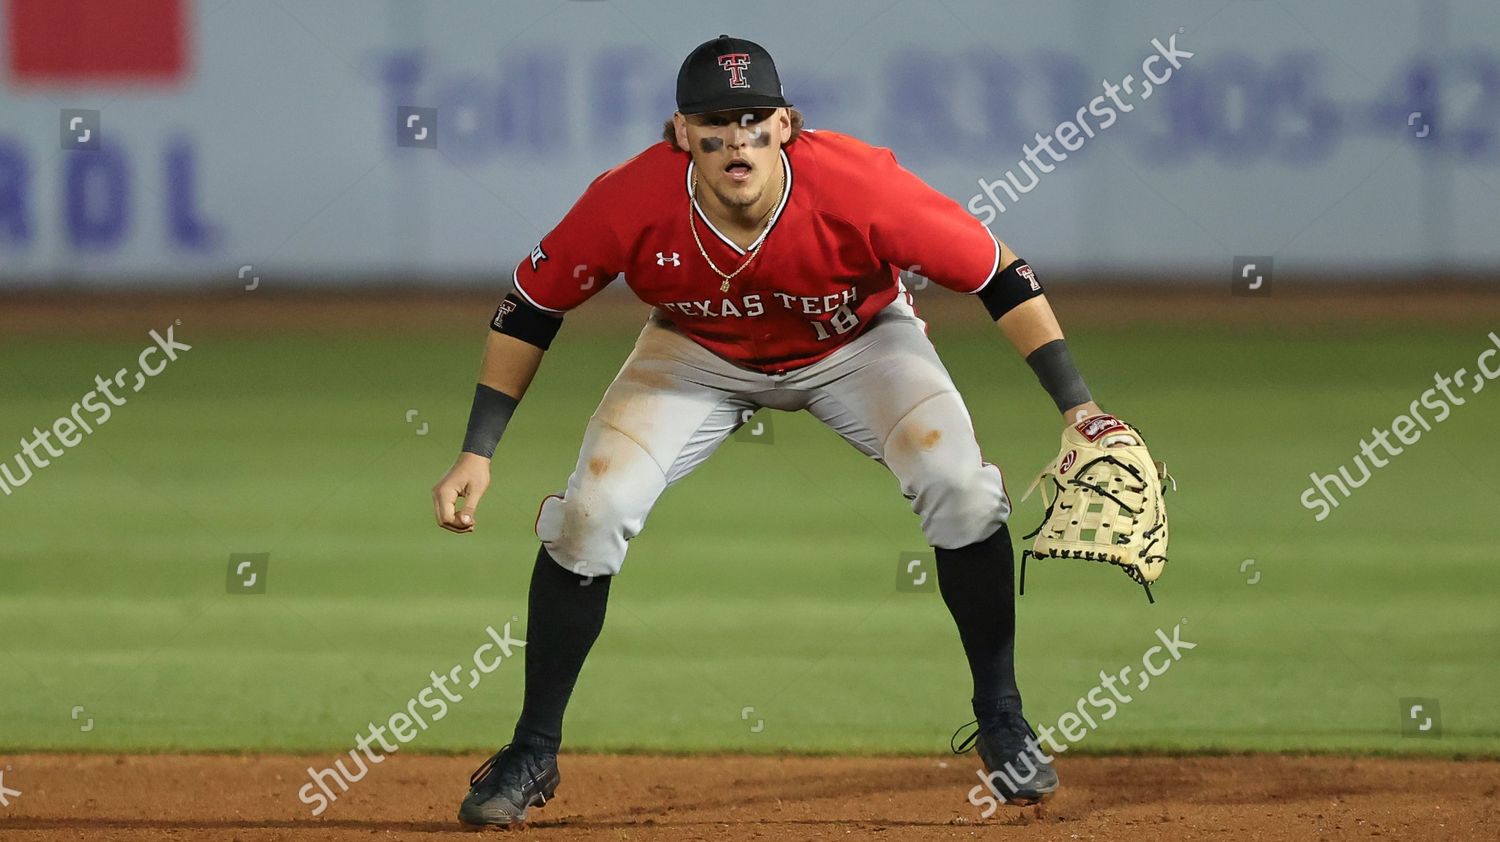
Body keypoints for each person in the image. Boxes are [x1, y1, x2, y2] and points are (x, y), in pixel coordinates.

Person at [434, 34, 1110, 827]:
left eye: (755, 118)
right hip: (696, 350)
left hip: (856, 343)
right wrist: (478, 449)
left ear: (787, 124)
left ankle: (1001, 718)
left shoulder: (859, 184)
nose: (735, 140)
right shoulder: (630, 198)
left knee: (961, 490)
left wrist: (1080, 407)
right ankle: (532, 750)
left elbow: (1000, 271)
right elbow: (530, 306)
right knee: (591, 515)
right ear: (680, 133)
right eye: (713, 123)